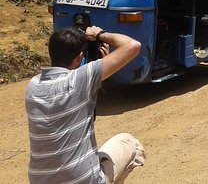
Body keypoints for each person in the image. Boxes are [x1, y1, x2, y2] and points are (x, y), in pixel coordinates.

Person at [25, 26, 145, 184]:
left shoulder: (33, 86)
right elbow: (133, 45)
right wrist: (100, 34)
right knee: (130, 144)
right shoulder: (82, 80)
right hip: (83, 180)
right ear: (79, 57)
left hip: (39, 180)